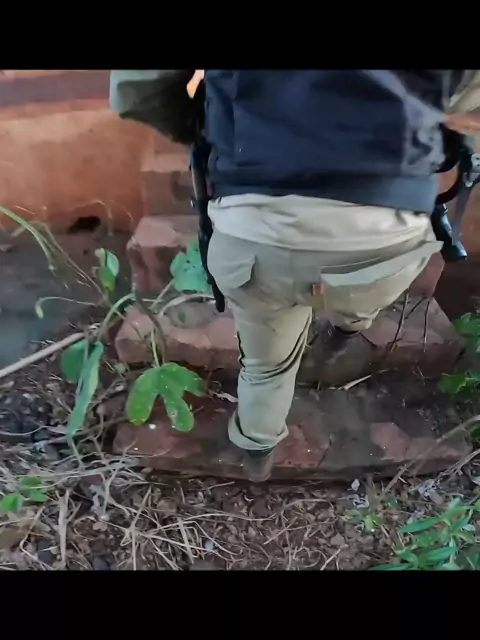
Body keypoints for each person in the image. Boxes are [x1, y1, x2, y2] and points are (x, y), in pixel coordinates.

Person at [110, 70, 480, 482]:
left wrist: (205, 123)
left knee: (266, 366)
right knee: (360, 295)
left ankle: (257, 454)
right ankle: (346, 328)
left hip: (256, 227)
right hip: (386, 230)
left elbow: (136, 90)